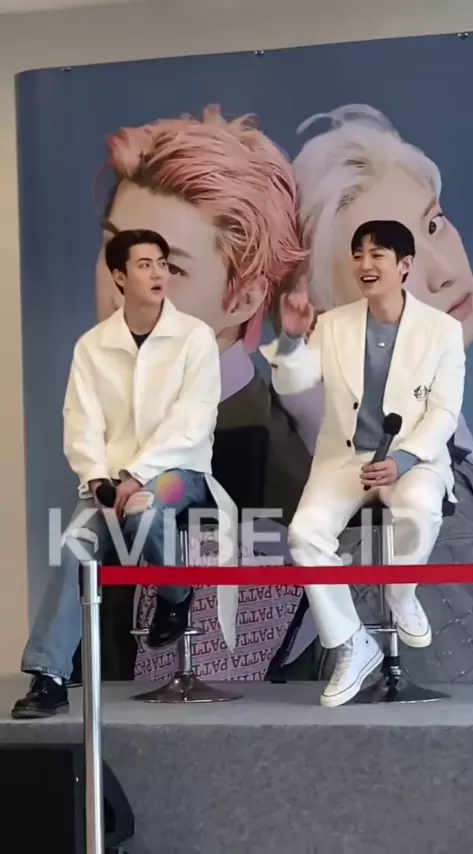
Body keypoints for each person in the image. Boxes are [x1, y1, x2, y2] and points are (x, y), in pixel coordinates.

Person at [95, 107, 310, 681]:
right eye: (115, 253)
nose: (125, 290)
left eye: (167, 267)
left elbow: (233, 678)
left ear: (245, 298)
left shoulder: (260, 448)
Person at [12, 228, 223, 719]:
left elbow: (192, 421)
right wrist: (98, 479)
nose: (158, 273)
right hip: (108, 483)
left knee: (146, 513)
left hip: (177, 472)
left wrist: (136, 475)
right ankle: (50, 677)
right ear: (119, 276)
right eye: (145, 264)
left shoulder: (194, 337)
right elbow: (80, 421)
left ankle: (175, 595)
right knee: (75, 546)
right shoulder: (93, 346)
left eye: (163, 263)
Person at [270, 219, 465, 707]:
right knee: (305, 535)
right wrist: (292, 340)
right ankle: (351, 643)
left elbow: (444, 411)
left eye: (377, 254)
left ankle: (401, 594)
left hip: (413, 458)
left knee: (419, 505)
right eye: (358, 254)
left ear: (405, 265)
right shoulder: (334, 324)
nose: (365, 264)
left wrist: (404, 459)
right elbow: (292, 383)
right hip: (346, 459)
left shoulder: (441, 330)